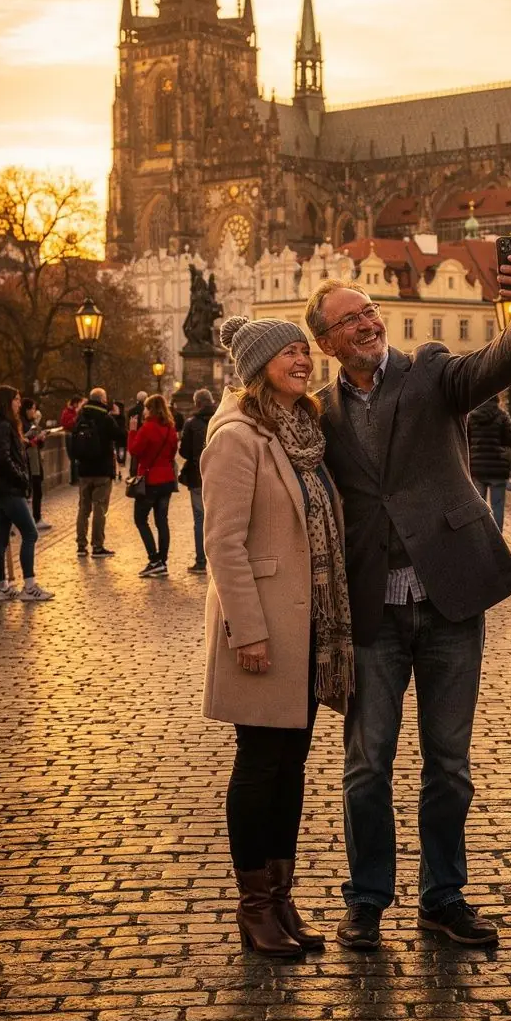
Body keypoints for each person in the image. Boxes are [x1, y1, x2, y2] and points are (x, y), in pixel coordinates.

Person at [305, 252, 511, 950]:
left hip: (447, 600)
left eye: (368, 311)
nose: (366, 323)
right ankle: (368, 899)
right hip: (371, 613)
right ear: (326, 343)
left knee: (449, 763)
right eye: (348, 320)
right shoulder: (317, 414)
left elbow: (494, 365)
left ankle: (443, 896)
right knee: (366, 765)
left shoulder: (430, 372)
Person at [201, 316, 354, 958]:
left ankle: (281, 892)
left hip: (307, 624)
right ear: (259, 366)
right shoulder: (238, 436)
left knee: (290, 767)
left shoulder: (304, 431)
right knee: (261, 766)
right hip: (262, 626)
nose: (302, 360)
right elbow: (223, 543)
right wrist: (248, 630)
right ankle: (254, 905)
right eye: (288, 353)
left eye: (303, 351)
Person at [0, 385, 54, 602]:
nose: (20, 403)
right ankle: (29, 586)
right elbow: (2, 458)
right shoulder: (2, 425)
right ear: (7, 402)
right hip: (7, 488)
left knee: (1, 536)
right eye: (17, 400)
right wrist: (20, 476)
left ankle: (2, 587)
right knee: (30, 533)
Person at [127, 393, 179, 576]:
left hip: (150, 480)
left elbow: (134, 449)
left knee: (140, 519)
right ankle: (162, 561)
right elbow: (173, 452)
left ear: (150, 409)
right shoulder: (170, 429)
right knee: (162, 521)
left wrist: (132, 430)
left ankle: (154, 559)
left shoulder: (147, 428)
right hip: (167, 480)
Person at [73, 388, 124, 558]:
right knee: (99, 508)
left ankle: (81, 545)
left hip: (84, 470)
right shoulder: (105, 417)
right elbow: (121, 437)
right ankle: (97, 545)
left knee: (83, 508)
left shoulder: (81, 416)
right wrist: (118, 417)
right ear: (102, 399)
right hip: (102, 469)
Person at [178, 388, 215, 573]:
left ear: (197, 404)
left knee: (200, 519)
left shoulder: (191, 423)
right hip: (221, 477)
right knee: (221, 519)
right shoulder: (222, 420)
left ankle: (201, 561)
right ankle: (219, 562)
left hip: (198, 476)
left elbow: (183, 451)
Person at [467, 394, 511, 530]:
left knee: (477, 506)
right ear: (497, 400)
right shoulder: (503, 416)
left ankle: (480, 536)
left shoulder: (471, 417)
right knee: (498, 506)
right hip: (498, 468)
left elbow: (465, 440)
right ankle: (498, 537)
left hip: (477, 468)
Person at [21, 398, 51, 531]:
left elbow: (38, 443)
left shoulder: (30, 423)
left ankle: (36, 517)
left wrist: (41, 438)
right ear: (27, 409)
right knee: (33, 489)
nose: (34, 411)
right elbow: (23, 442)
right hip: (29, 460)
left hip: (35, 458)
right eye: (33, 408)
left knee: (37, 488)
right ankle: (35, 518)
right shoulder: (22, 423)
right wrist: (35, 438)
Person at [60, 394, 85, 485]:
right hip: (70, 435)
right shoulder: (67, 412)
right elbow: (65, 424)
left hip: (76, 435)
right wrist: (75, 419)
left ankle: (78, 478)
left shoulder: (76, 411)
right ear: (75, 404)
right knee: (73, 458)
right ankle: (75, 479)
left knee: (77, 458)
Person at [127, 391, 148, 476]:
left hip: (135, 434)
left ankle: (133, 473)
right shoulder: (147, 410)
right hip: (144, 435)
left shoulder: (132, 411)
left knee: (134, 456)